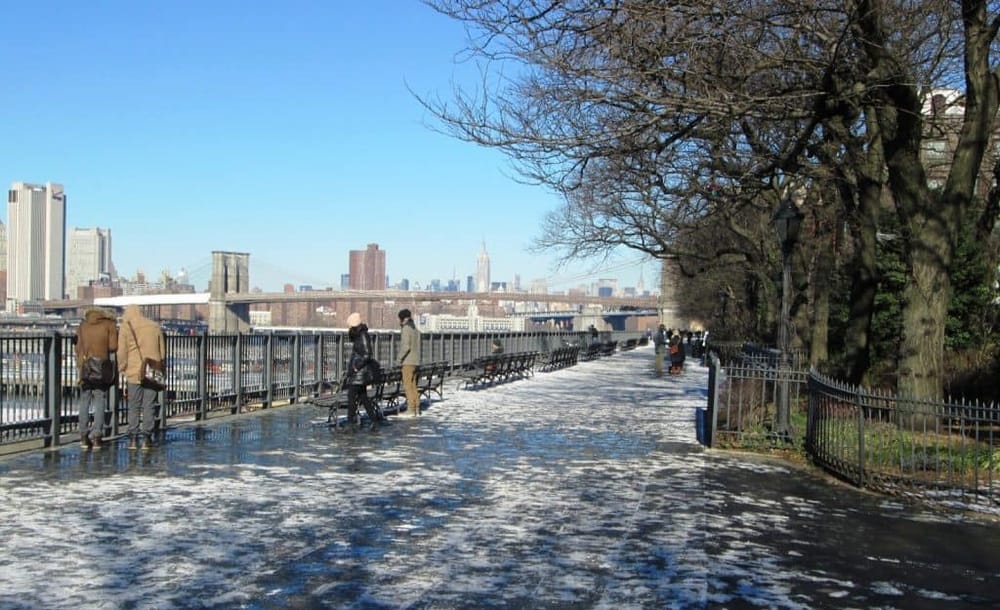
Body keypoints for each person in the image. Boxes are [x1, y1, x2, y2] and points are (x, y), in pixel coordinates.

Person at [119, 305, 166, 450]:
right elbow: (162, 352)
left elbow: (122, 352)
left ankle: (133, 439)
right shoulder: (154, 326)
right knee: (149, 405)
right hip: (151, 372)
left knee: (134, 406)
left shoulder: (125, 327)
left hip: (134, 372)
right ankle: (147, 438)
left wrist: (121, 367)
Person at [75, 307, 118, 450]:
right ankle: (97, 437)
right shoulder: (109, 325)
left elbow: (78, 347)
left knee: (84, 399)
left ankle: (83, 435)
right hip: (100, 367)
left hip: (85, 367)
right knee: (100, 398)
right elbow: (113, 346)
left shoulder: (82, 325)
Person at [345, 312, 382, 430]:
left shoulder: (363, 336)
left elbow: (367, 354)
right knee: (363, 397)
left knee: (351, 397)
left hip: (359, 373)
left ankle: (350, 423)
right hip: (359, 373)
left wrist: (357, 367)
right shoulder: (359, 335)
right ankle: (374, 420)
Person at [397, 309, 421, 417]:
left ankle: (411, 409)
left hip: (408, 361)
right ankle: (417, 407)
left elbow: (406, 346)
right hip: (416, 361)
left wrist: (399, 358)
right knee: (414, 385)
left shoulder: (406, 328)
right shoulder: (415, 328)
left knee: (408, 385)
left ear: (402, 318)